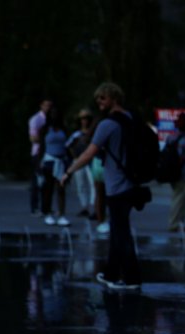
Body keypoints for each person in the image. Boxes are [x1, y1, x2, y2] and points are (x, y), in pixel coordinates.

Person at [60, 82, 142, 290]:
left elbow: (89, 153)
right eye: (98, 99)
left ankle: (131, 278)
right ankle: (111, 273)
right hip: (130, 182)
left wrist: (69, 171)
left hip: (116, 185)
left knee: (121, 232)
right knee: (118, 230)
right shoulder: (131, 119)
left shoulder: (107, 124)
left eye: (102, 98)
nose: (99, 102)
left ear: (113, 98)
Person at [40, 108, 70, 226]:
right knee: (49, 188)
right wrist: (39, 162)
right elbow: (41, 146)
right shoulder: (45, 129)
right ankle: (48, 213)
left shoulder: (63, 129)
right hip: (49, 160)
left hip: (61, 160)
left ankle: (62, 214)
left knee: (61, 188)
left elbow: (67, 145)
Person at [66, 109, 96, 219]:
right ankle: (84, 206)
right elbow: (69, 146)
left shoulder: (93, 134)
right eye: (83, 119)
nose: (85, 121)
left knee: (93, 184)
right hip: (79, 161)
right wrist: (75, 157)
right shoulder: (76, 134)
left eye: (87, 118)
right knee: (81, 185)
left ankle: (94, 207)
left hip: (91, 161)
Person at [28, 98, 53, 216]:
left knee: (47, 182)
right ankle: (35, 207)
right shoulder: (36, 119)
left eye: (50, 106)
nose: (48, 108)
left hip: (48, 153)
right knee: (37, 180)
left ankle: (46, 207)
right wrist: (44, 140)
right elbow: (33, 138)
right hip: (38, 153)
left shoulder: (51, 120)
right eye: (46, 105)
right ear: (41, 106)